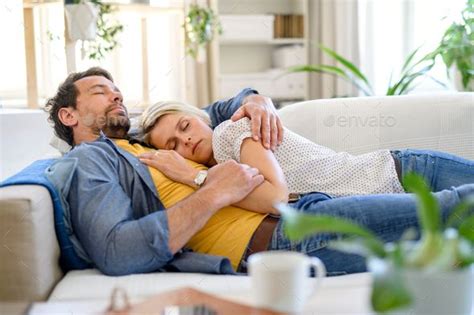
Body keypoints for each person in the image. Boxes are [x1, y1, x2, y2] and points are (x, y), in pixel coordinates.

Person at [45, 67, 474, 276]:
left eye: (118, 91)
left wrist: (256, 100)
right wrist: (212, 191)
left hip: (300, 214)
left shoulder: (141, 140)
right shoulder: (88, 162)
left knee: (449, 224)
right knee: (450, 211)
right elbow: (118, 251)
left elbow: (209, 116)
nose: (117, 97)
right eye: (101, 93)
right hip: (279, 239)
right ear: (69, 114)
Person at [137, 101, 474, 214]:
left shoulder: (229, 132)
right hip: (392, 191)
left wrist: (194, 178)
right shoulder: (224, 172)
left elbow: (277, 197)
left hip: (403, 173)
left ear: (199, 116)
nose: (186, 140)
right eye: (173, 145)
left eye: (184, 126)